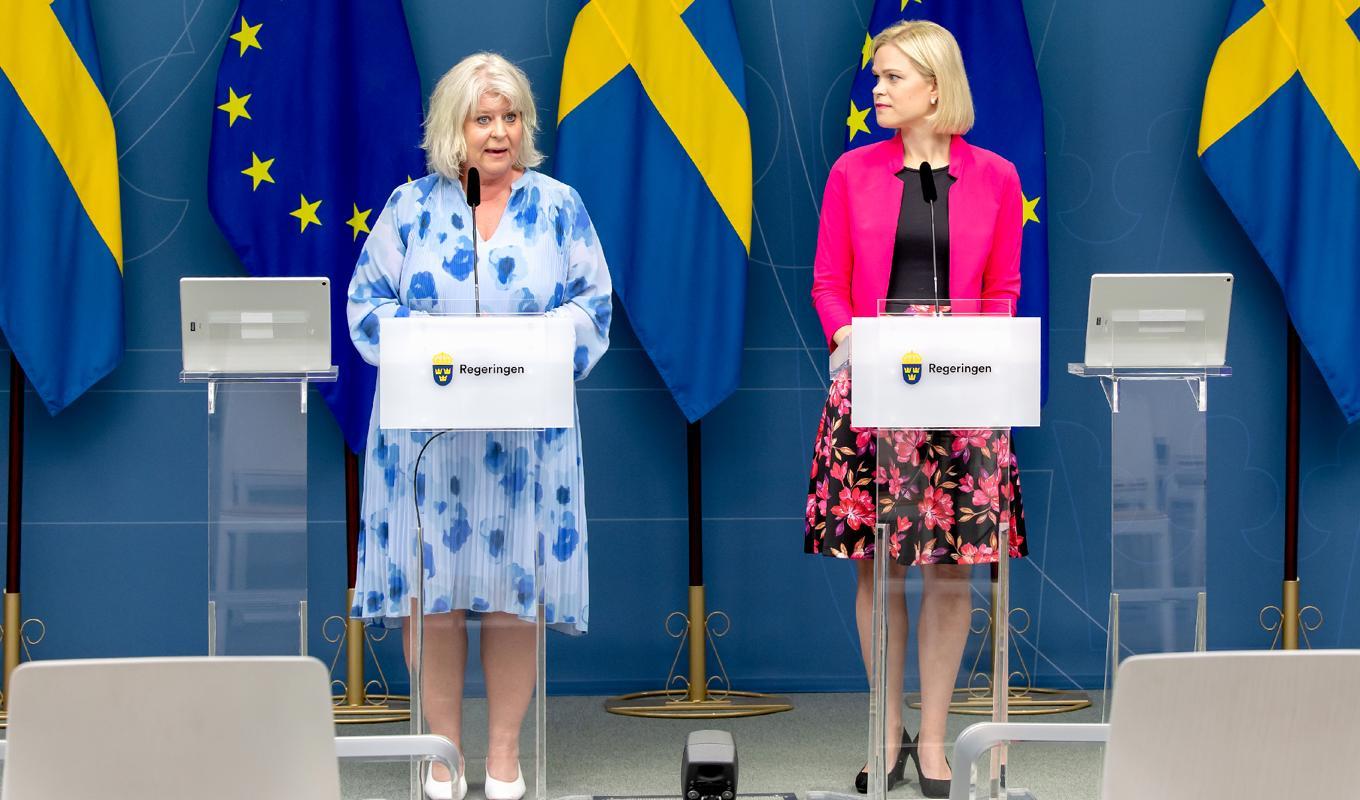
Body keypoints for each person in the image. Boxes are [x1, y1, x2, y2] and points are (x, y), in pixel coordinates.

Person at [347, 52, 612, 800]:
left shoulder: (560, 206)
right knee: (433, 599)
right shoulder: (409, 208)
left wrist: (532, 344)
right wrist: (434, 347)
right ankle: (441, 755)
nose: (499, 132)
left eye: (511, 116)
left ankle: (503, 754)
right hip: (426, 445)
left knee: (510, 597)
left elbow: (593, 307)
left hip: (525, 444)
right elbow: (366, 305)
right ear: (452, 129)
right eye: (482, 118)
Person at [803, 21, 1027, 799]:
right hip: (872, 389)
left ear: (935, 87)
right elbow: (829, 283)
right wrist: (849, 343)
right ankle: (885, 726)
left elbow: (1001, 291)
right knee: (880, 564)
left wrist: (970, 356)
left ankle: (934, 739)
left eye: (893, 77)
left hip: (962, 395)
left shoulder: (996, 176)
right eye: (880, 78)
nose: (879, 89)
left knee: (951, 573)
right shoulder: (850, 173)